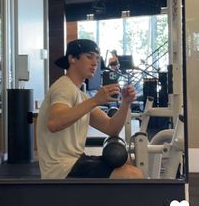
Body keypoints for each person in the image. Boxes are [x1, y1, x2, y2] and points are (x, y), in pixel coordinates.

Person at [36, 39, 143, 179]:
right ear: (72, 58)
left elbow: (111, 128)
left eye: (97, 59)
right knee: (132, 175)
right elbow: (54, 122)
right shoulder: (64, 87)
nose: (95, 63)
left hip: (75, 161)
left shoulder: (80, 95)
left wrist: (125, 104)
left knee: (128, 162)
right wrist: (95, 100)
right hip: (61, 169)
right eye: (89, 57)